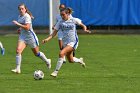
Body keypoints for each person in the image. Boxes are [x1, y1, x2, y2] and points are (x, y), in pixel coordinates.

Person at [42, 8, 91, 77]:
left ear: (68, 14)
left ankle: (55, 72)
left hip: (73, 41)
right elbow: (54, 33)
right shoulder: (60, 22)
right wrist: (47, 39)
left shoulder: (74, 20)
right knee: (71, 60)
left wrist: (85, 29)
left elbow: (82, 25)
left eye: (63, 15)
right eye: (61, 15)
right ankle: (80, 60)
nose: (62, 16)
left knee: (61, 53)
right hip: (65, 42)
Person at [11, 3, 51, 74]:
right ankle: (17, 69)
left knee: (36, 53)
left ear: (25, 9)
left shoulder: (27, 16)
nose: (21, 10)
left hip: (31, 37)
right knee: (18, 51)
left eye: (22, 8)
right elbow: (23, 26)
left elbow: (27, 27)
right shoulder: (19, 16)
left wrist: (18, 24)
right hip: (23, 36)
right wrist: (20, 29)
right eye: (19, 9)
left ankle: (47, 61)